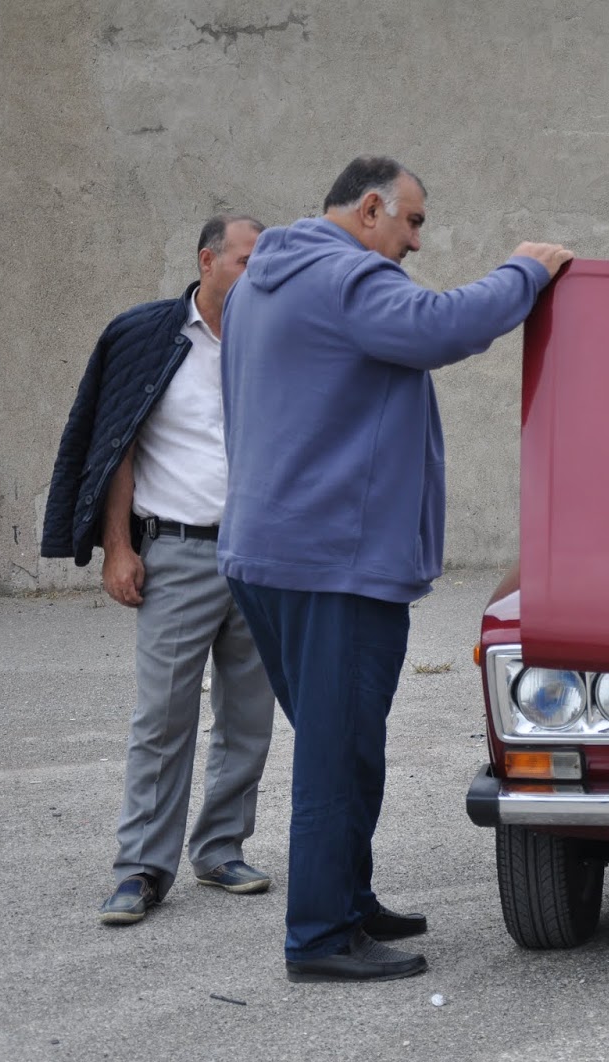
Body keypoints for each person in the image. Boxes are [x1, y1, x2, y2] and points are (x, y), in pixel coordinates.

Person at [218, 156, 572, 983]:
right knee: (338, 754)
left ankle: (348, 898)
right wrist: (526, 270)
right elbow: (438, 325)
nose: (415, 241)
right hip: (333, 564)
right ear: (371, 208)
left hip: (270, 553)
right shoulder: (346, 278)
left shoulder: (260, 284)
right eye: (412, 222)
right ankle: (319, 937)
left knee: (340, 746)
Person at [41, 214, 277, 926]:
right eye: (245, 262)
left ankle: (221, 849)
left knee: (248, 717)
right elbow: (118, 446)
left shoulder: (275, 343)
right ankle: (141, 868)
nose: (256, 277)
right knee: (161, 718)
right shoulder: (148, 336)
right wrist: (119, 547)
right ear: (207, 260)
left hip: (260, 558)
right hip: (177, 551)